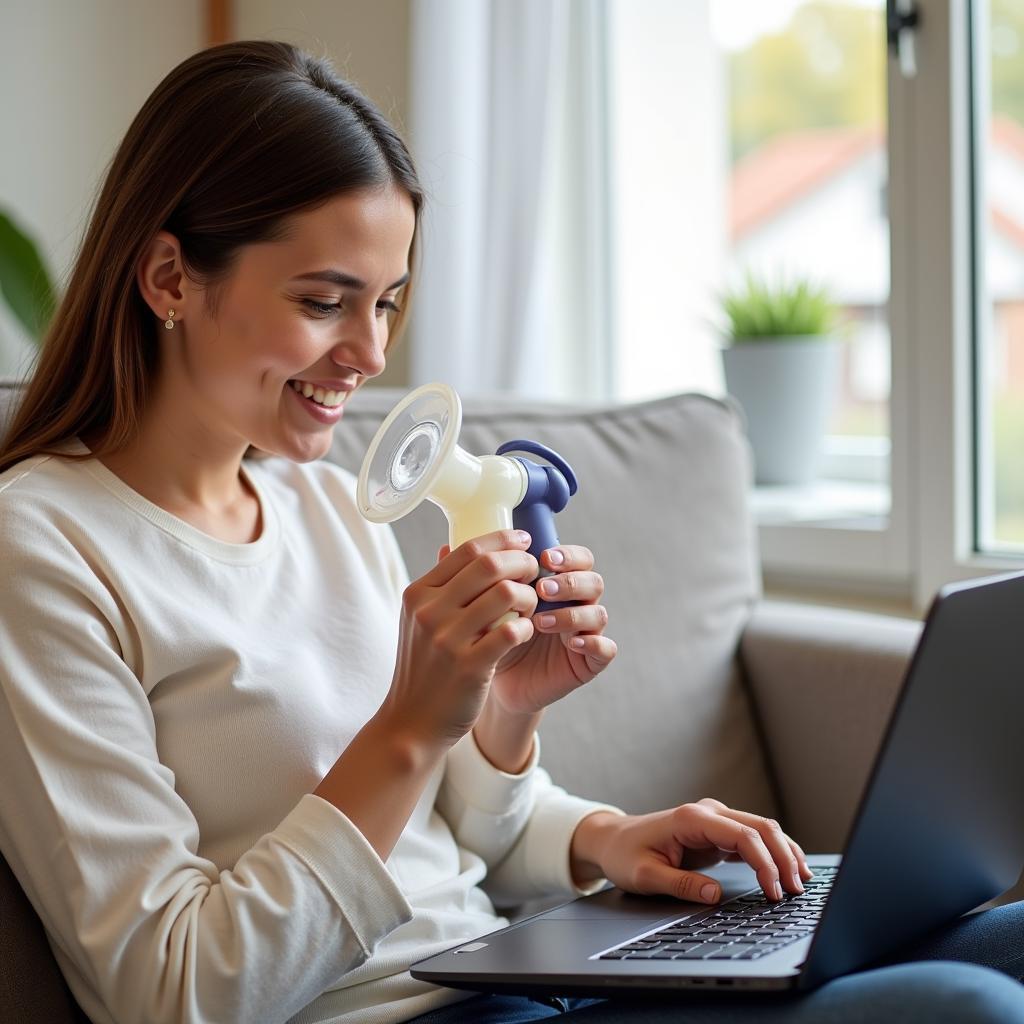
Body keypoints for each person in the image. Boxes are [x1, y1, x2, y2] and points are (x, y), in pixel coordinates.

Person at [0, 39, 1021, 1024]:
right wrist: (409, 724)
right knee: (965, 1006)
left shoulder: (318, 504)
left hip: (526, 974)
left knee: (1005, 938)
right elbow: (171, 990)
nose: (369, 352)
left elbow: (459, 837)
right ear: (170, 278)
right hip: (414, 1013)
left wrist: (580, 808)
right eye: (324, 301)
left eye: (390, 303)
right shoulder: (43, 549)